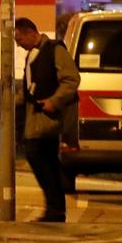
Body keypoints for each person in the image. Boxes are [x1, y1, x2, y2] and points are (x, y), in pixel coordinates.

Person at [14, 16, 79, 223]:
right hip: (36, 115)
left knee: (37, 154)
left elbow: (71, 79)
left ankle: (55, 207)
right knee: (47, 160)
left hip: (47, 116)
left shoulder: (54, 50)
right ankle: (55, 209)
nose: (19, 46)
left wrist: (54, 101)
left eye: (19, 40)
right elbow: (31, 85)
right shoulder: (33, 54)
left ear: (30, 33)